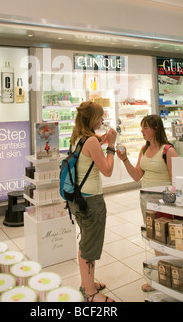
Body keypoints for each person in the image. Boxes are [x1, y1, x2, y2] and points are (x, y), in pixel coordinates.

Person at [116, 114, 178, 292]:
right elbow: (137, 176)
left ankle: (167, 278)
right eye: (141, 128)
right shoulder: (144, 149)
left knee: (165, 239)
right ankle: (160, 277)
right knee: (154, 239)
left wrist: (168, 205)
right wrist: (125, 159)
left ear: (156, 129)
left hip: (164, 203)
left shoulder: (168, 151)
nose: (141, 131)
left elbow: (175, 183)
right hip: (146, 201)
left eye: (145, 128)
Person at [68, 100, 117, 303]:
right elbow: (107, 170)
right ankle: (90, 293)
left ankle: (86, 283)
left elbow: (90, 148)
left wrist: (103, 139)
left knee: (86, 243)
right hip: (91, 201)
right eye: (100, 116)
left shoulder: (77, 137)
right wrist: (111, 146)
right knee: (90, 246)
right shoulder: (92, 141)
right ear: (91, 118)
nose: (103, 119)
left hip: (77, 199)